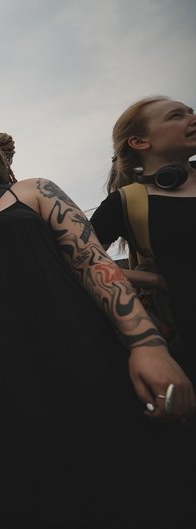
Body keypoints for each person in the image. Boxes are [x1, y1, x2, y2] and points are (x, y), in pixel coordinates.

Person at [0, 116, 196, 527]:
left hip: (70, 354)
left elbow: (93, 263)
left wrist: (146, 344)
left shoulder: (32, 191)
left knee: (115, 482)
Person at [90, 96, 196, 380]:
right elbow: (82, 264)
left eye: (190, 111)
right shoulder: (123, 203)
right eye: (176, 116)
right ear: (139, 142)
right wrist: (154, 280)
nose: (192, 118)